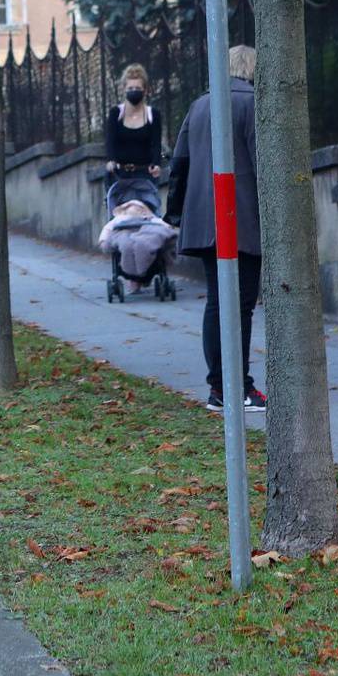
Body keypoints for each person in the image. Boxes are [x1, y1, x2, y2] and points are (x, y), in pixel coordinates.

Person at [164, 45, 265, 413]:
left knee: (217, 304)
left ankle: (219, 386)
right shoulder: (253, 103)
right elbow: (261, 164)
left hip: (204, 219)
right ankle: (237, 386)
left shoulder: (201, 104)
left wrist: (175, 213)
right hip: (243, 220)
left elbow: (180, 163)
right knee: (240, 307)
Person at [103, 64, 163, 213]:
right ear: (124, 89)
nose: (133, 92)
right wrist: (111, 160)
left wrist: (156, 163)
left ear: (145, 90)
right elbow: (110, 140)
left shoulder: (152, 115)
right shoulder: (116, 113)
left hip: (145, 175)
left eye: (137, 88)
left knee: (148, 214)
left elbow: (156, 142)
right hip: (119, 174)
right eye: (130, 88)